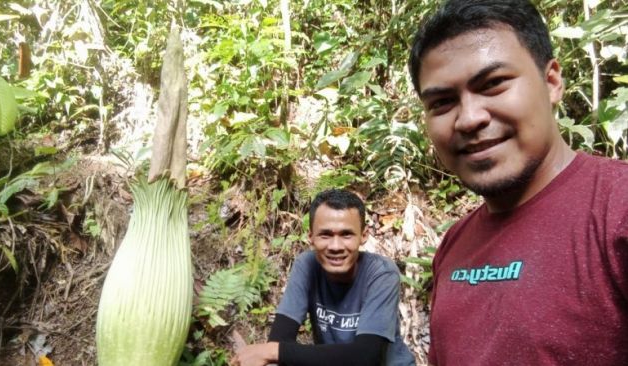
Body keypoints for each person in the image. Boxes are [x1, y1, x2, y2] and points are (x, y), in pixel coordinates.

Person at [408, 0, 628, 365]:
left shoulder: (616, 208)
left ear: (552, 81)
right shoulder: (455, 243)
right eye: (443, 102)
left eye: (493, 84)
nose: (469, 119)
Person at [231, 189, 416, 366]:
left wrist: (273, 352)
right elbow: (279, 339)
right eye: (325, 234)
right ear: (310, 237)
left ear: (364, 235)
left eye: (346, 234)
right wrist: (271, 353)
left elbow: (365, 357)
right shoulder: (307, 265)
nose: (335, 246)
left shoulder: (381, 273)